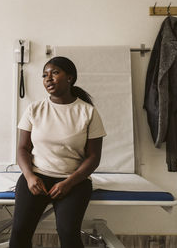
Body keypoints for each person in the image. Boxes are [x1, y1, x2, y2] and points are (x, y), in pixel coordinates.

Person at [9, 56, 106, 248]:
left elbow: (94, 157)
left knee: (68, 233)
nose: (48, 79)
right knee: (19, 232)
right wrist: (29, 176)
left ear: (70, 77)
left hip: (74, 181)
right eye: (44, 75)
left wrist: (69, 182)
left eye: (54, 73)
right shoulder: (34, 109)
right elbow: (22, 148)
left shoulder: (87, 112)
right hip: (36, 179)